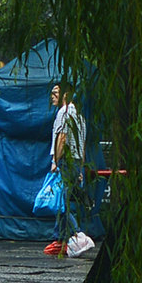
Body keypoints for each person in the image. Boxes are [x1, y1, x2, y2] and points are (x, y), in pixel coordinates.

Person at [48, 80, 88, 238]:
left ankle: (78, 234)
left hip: (66, 161)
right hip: (76, 162)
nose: (52, 97)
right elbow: (82, 145)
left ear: (65, 94)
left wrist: (55, 162)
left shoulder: (63, 113)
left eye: (55, 93)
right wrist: (80, 169)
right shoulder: (79, 116)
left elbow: (62, 139)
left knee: (61, 203)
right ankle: (58, 236)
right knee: (63, 200)